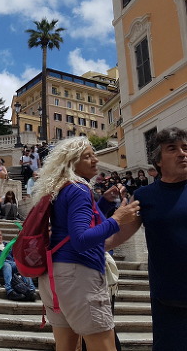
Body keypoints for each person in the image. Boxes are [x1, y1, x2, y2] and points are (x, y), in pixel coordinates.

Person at [33, 136, 139, 351]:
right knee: (104, 346)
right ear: (72, 162)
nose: (95, 161)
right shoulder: (80, 189)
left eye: (95, 155)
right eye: (87, 156)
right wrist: (118, 218)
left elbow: (73, 224)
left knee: (65, 347)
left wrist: (104, 203)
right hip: (78, 276)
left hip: (55, 276)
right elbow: (81, 240)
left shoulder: (62, 187)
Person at [113, 127, 187, 350]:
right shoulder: (145, 196)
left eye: (185, 148)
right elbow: (118, 237)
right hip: (168, 297)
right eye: (172, 149)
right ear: (158, 161)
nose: (182, 153)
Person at [0, 228, 36, 301]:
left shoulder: (7, 245)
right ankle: (10, 291)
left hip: (11, 263)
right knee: (7, 265)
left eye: (0, 235)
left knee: (21, 266)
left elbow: (15, 255)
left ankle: (31, 289)